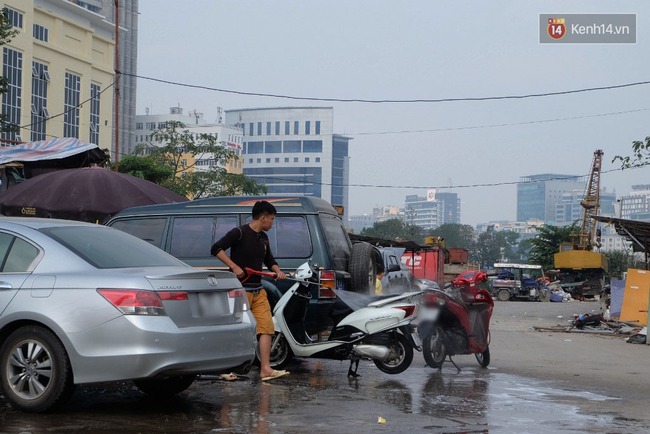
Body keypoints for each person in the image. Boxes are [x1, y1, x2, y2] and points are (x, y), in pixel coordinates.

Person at [210, 200, 289, 381]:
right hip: (239, 290)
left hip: (258, 290)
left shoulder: (263, 237)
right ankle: (224, 368)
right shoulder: (239, 232)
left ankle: (265, 369)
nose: (272, 223)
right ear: (263, 218)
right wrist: (234, 267)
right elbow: (216, 248)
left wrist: (278, 271)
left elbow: (269, 259)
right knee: (232, 329)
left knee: (266, 328)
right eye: (272, 219)